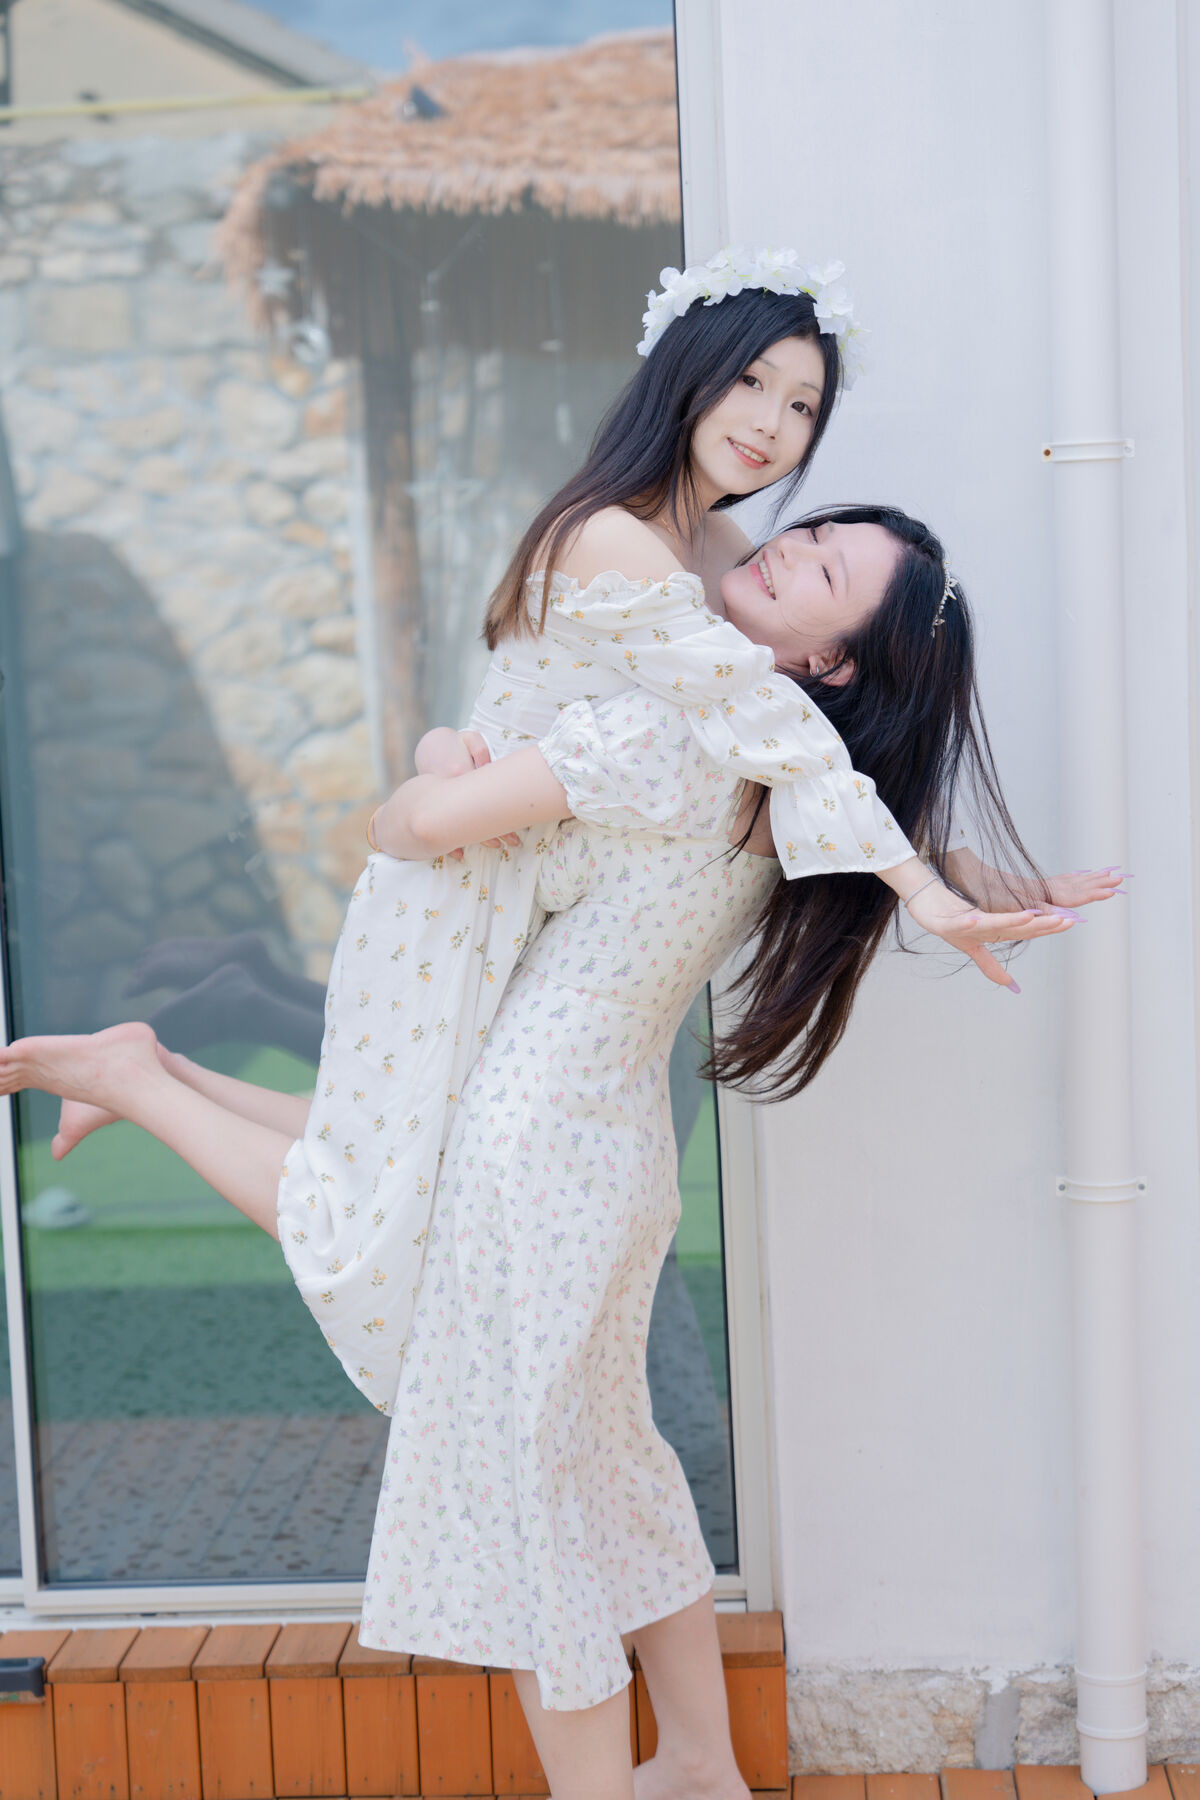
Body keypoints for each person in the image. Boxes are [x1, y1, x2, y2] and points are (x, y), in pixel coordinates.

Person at [0, 501, 1119, 1800]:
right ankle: (698, 1766)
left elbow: (416, 827)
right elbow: (860, 809)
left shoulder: (678, 733)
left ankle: (141, 1077)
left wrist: (442, 754)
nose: (777, 550)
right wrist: (964, 871)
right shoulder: (789, 771)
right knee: (606, 1463)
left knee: (519, 1487)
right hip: (599, 1146)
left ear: (829, 662)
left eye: (819, 568)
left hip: (535, 1141)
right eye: (804, 531)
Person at [52, 250, 1112, 1416]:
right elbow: (770, 723)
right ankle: (138, 1082)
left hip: (531, 878)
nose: (771, 423)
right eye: (751, 382)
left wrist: (954, 868)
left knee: (408, 1165)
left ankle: (151, 1068)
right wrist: (922, 885)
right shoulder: (619, 539)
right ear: (690, 373)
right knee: (382, 1225)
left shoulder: (723, 554)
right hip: (455, 888)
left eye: (803, 405)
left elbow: (799, 743)